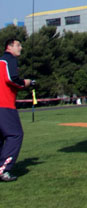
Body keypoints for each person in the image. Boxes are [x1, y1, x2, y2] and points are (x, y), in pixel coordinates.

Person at [0, 39, 33, 182]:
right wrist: (27, 83)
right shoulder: (9, 59)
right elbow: (11, 79)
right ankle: (3, 169)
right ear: (9, 47)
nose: (21, 47)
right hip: (4, 105)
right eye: (18, 45)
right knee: (15, 135)